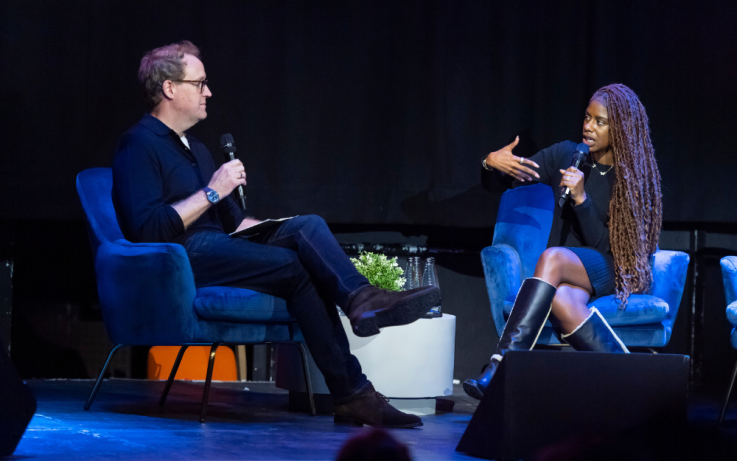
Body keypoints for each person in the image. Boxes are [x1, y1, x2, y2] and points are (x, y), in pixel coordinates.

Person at [112, 40, 440, 427]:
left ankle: (361, 300)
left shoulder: (197, 148)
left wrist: (283, 229)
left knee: (309, 226)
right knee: (295, 269)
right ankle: (353, 393)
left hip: (219, 243)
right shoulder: (139, 144)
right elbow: (147, 228)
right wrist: (214, 189)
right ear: (170, 88)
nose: (208, 92)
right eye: (200, 83)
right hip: (181, 256)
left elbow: (235, 224)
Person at [463, 84, 662, 400]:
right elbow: (508, 178)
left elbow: (599, 246)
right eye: (587, 117)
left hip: (612, 267)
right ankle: (633, 382)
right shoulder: (569, 155)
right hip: (573, 268)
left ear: (620, 128)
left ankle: (501, 366)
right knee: (563, 301)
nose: (588, 126)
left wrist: (581, 199)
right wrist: (492, 163)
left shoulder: (631, 177)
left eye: (600, 121)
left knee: (553, 257)